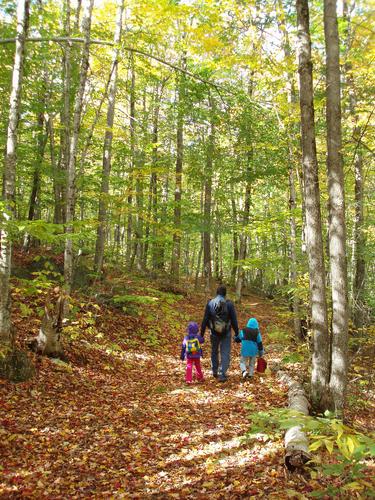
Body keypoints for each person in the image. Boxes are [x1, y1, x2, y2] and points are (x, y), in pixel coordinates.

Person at [200, 285, 239, 382]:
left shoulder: (210, 303)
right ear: (225, 294)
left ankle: (214, 370)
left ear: (216, 293)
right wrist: (237, 333)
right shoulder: (229, 304)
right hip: (226, 332)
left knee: (214, 350)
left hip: (213, 332)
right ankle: (222, 374)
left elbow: (205, 319)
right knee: (225, 352)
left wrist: (201, 334)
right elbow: (234, 320)